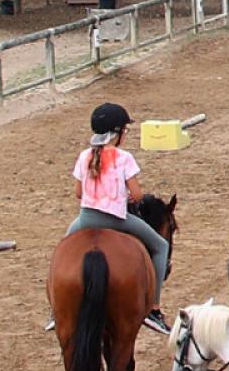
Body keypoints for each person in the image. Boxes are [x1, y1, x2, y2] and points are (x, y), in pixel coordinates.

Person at [64, 102, 171, 335]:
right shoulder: (123, 157)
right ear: (118, 132)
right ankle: (154, 307)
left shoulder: (84, 156)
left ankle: (56, 309)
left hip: (85, 219)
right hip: (115, 219)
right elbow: (138, 195)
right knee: (161, 246)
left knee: (63, 250)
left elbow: (78, 193)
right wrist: (128, 198)